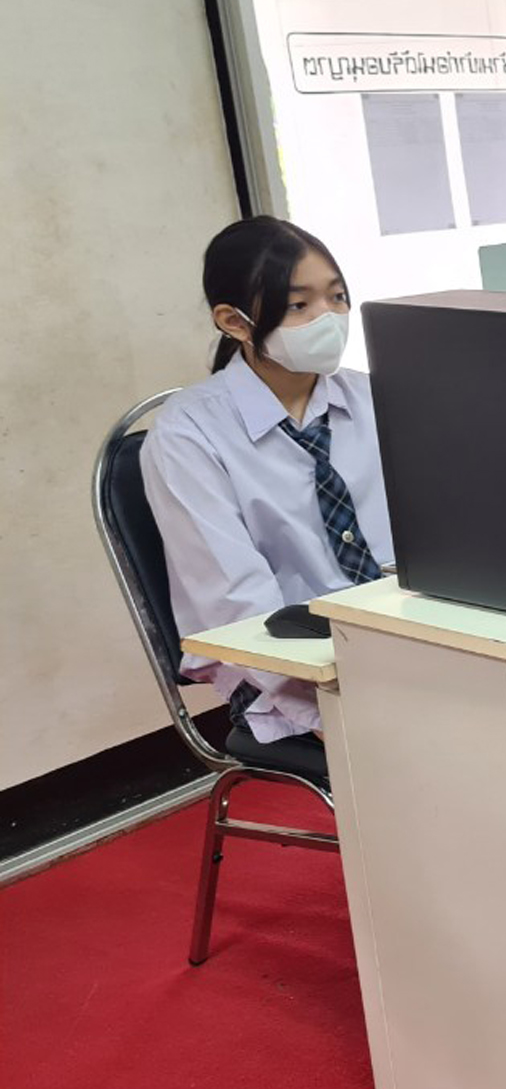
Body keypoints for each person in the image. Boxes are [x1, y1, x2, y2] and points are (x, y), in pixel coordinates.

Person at [140, 217, 390, 768]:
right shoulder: (188, 434)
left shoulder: (375, 399)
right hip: (279, 667)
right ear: (234, 321)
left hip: (395, 636)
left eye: (337, 297)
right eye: (298, 306)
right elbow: (234, 603)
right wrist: (328, 708)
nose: (327, 319)